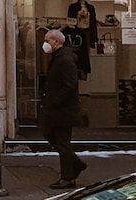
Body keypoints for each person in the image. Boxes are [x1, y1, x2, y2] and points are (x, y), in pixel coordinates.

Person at [39, 28, 87, 190]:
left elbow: (70, 84)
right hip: (58, 109)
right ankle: (75, 163)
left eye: (47, 40)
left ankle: (67, 177)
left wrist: (55, 100)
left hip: (63, 110)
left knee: (62, 142)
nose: (44, 43)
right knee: (51, 136)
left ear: (56, 41)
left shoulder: (64, 59)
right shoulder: (59, 57)